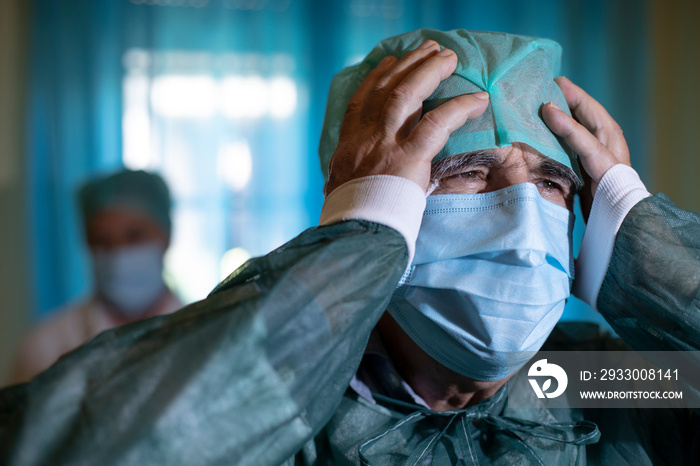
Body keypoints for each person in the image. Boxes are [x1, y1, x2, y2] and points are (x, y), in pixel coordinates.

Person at [0, 29, 698, 465]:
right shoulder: (302, 409)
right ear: (385, 202)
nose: (520, 211)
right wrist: (360, 238)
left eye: (552, 182)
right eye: (467, 172)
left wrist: (651, 252)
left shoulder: (591, 383)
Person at [8, 169, 182, 385]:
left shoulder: (205, 333)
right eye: (101, 239)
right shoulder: (43, 349)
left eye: (135, 235)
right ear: (86, 243)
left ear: (166, 236)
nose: (118, 253)